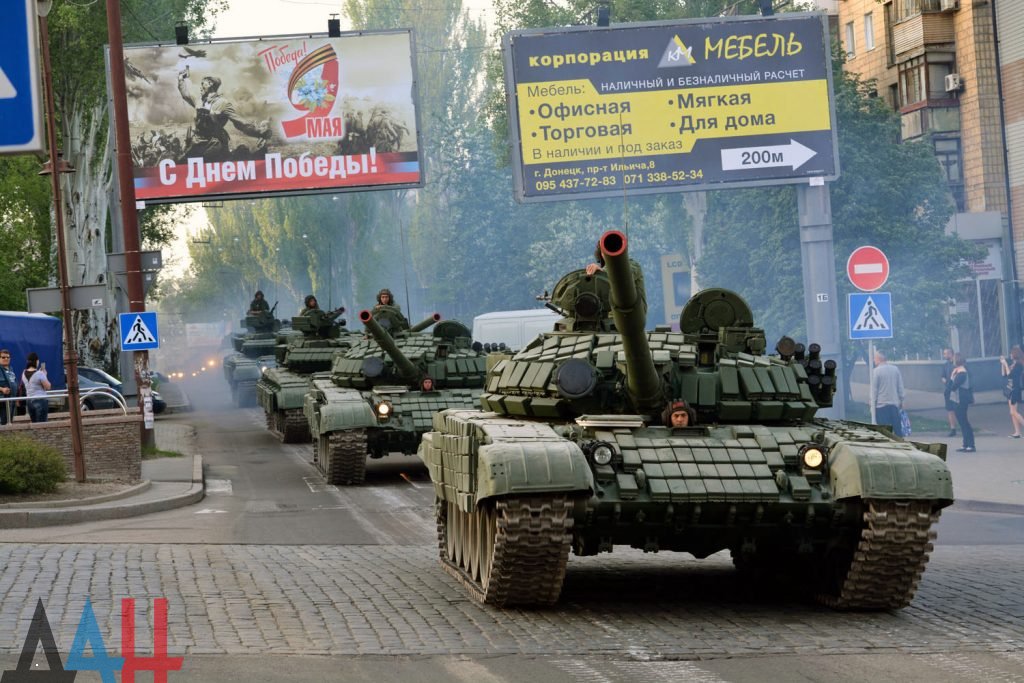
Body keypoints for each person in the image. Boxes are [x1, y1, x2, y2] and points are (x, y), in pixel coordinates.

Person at [177, 70, 270, 162]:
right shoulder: (199, 101)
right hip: (197, 142)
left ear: (210, 84)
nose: (200, 87)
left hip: (213, 143)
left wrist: (259, 132)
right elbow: (186, 95)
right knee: (182, 164)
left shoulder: (223, 103)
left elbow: (240, 123)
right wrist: (181, 79)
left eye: (202, 84)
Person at [584, 239, 647, 316]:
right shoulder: (598, 276)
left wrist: (601, 272)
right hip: (603, 322)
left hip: (631, 319)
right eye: (605, 249)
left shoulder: (633, 266)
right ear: (601, 254)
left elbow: (622, 275)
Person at [871, 350, 905, 436]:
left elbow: (874, 390)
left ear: (879, 359)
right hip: (894, 405)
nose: (874, 360)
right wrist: (901, 400)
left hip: (881, 406)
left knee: (884, 432)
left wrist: (872, 404)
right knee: (897, 430)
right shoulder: (895, 369)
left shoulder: (876, 371)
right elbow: (900, 386)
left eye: (874, 358)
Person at [950, 352, 975, 452]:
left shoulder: (962, 373)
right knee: (962, 422)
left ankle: (971, 445)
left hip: (961, 400)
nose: (952, 361)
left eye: (954, 359)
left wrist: (952, 376)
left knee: (964, 422)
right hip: (957, 400)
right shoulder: (959, 371)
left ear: (957, 360)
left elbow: (953, 386)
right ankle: (965, 444)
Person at [1000, 345, 1024, 438]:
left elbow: (1011, 375)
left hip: (1015, 389)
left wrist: (1005, 364)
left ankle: (1018, 431)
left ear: (1015, 354)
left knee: (1013, 412)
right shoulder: (1014, 364)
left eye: (1011, 353)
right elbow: (1004, 374)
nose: (1010, 355)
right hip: (1010, 389)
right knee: (1012, 411)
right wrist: (1003, 364)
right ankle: (1017, 432)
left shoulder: (1019, 365)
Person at [21, 352, 51, 423]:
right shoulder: (40, 374)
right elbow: (48, 387)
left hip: (29, 401)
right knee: (42, 424)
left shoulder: (23, 373)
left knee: (34, 424)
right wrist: (45, 375)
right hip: (40, 400)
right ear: (36, 361)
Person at [940, 347, 957, 437]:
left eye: (946, 353)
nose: (944, 355)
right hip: (948, 390)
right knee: (949, 409)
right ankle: (952, 428)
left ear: (951, 354)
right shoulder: (945, 365)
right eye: (944, 353)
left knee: (957, 409)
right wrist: (944, 380)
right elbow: (942, 376)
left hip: (955, 390)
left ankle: (961, 425)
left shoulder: (956, 364)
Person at [0, 349, 16, 425]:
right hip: (2, 401)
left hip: (12, 400)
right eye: (3, 357)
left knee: (10, 422)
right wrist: (2, 389)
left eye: (8, 357)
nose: (6, 359)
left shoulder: (11, 369)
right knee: (3, 423)